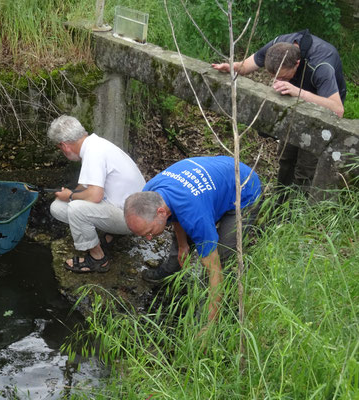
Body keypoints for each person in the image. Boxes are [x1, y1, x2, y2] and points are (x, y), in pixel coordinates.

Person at [124, 156, 261, 322]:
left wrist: (208, 327)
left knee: (223, 256)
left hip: (243, 190)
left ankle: (210, 312)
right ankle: (171, 272)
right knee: (182, 238)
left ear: (160, 212)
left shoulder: (195, 216)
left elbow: (214, 269)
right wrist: (183, 245)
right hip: (216, 179)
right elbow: (174, 213)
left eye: (149, 232)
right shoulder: (150, 192)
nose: (148, 238)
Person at [212, 30, 346, 189]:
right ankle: (281, 200)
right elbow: (247, 65)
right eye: (273, 76)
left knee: (306, 166)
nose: (277, 81)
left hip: (323, 105)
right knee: (286, 157)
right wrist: (231, 67)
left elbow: (337, 109)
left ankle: (298, 208)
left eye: (282, 77)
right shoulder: (277, 47)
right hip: (296, 97)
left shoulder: (321, 66)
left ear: (297, 63)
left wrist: (298, 92)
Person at [48, 115, 146, 273]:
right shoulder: (95, 144)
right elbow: (87, 186)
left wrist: (70, 196)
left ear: (64, 146)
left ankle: (97, 259)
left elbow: (94, 196)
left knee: (76, 208)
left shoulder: (93, 152)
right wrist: (69, 193)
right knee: (57, 207)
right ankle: (109, 234)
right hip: (133, 209)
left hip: (133, 218)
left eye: (60, 149)